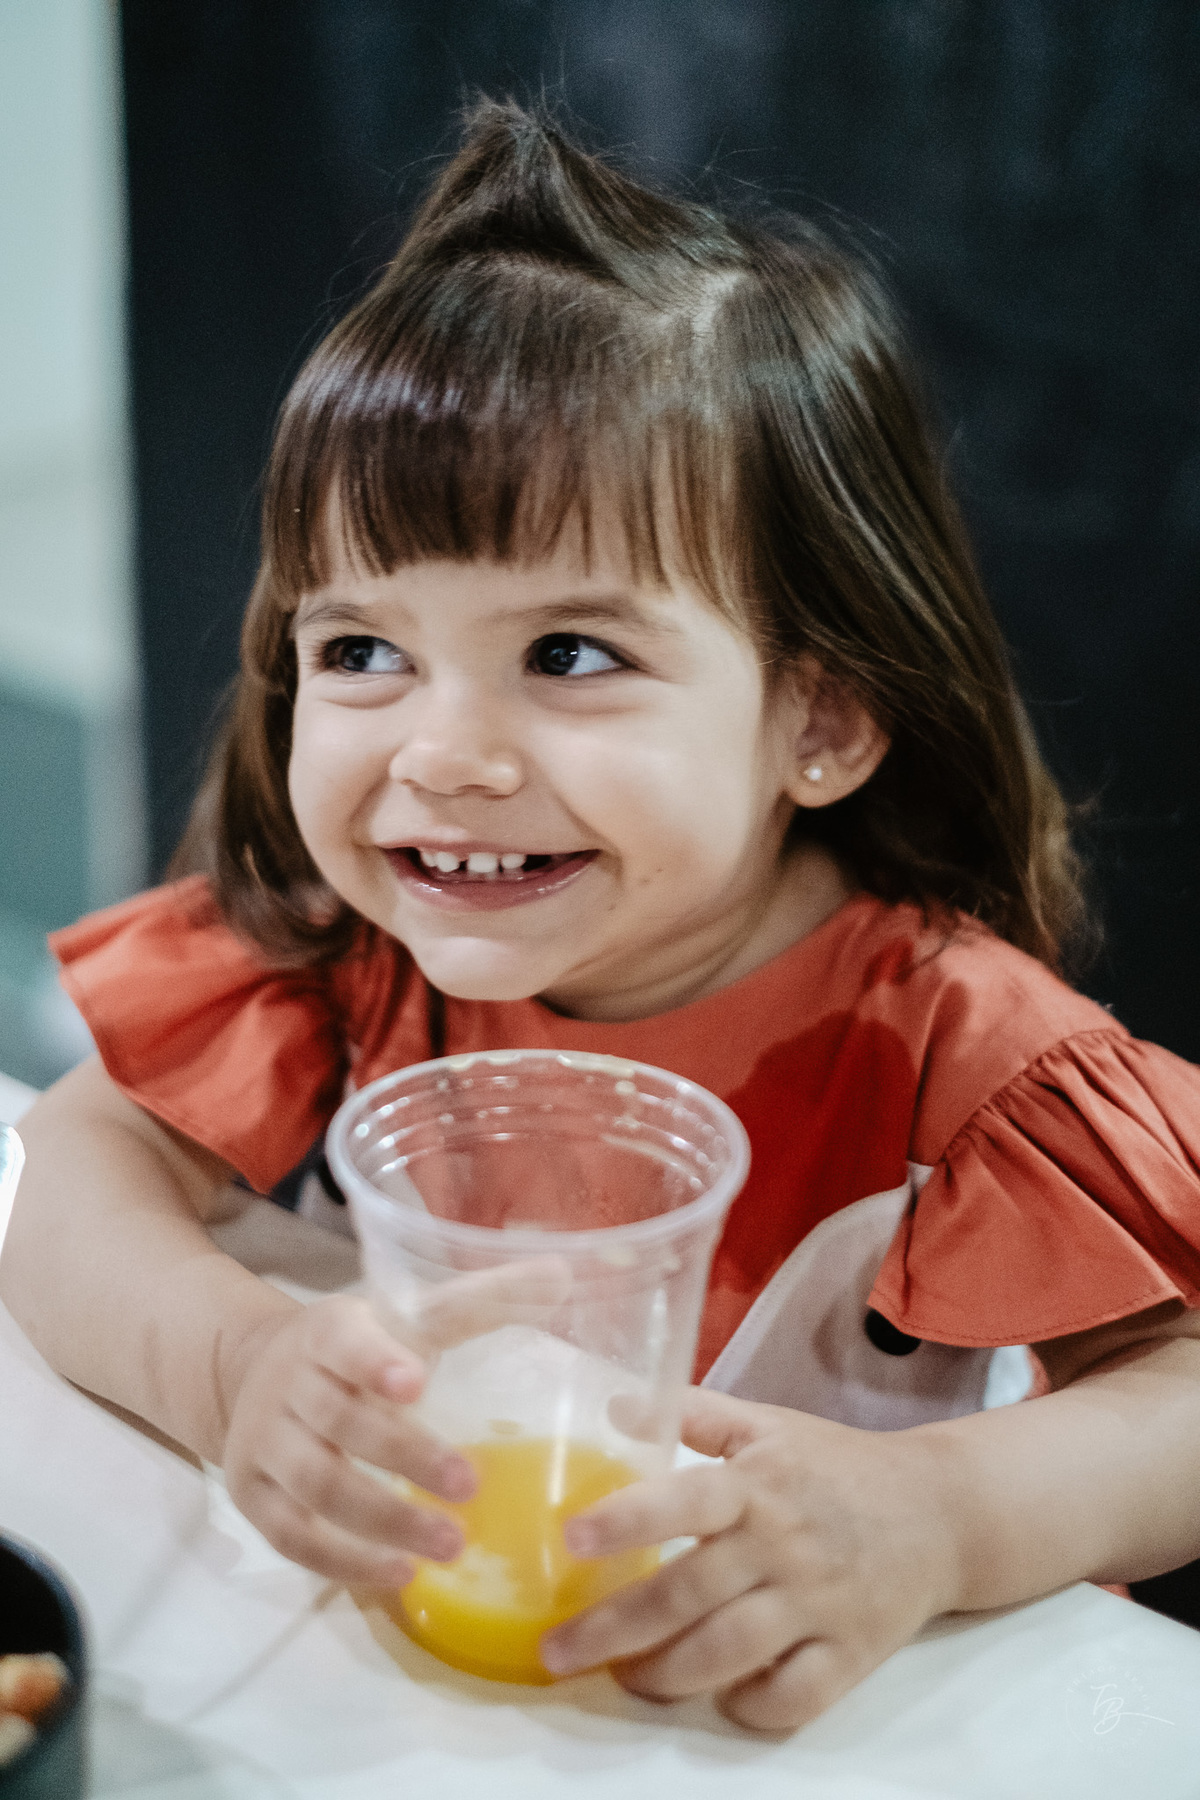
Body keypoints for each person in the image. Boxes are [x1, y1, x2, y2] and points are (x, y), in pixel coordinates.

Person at [4, 100, 1200, 1734]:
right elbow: (78, 1172)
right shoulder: (345, 953)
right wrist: (236, 1376)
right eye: (361, 650)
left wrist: (940, 1522)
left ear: (823, 720)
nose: (440, 755)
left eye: (568, 654)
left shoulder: (971, 1057)